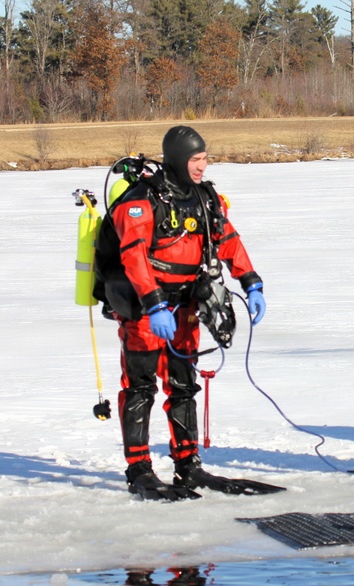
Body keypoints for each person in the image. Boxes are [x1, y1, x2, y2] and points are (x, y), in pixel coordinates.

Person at [96, 126, 280, 501]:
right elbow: (132, 255)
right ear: (179, 159)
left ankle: (188, 465)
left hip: (186, 305)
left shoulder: (205, 197)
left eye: (205, 158)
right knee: (140, 386)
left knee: (183, 385)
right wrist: (154, 303)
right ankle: (139, 470)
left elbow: (227, 240)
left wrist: (252, 281)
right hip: (145, 307)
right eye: (196, 159)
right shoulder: (141, 201)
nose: (202, 166)